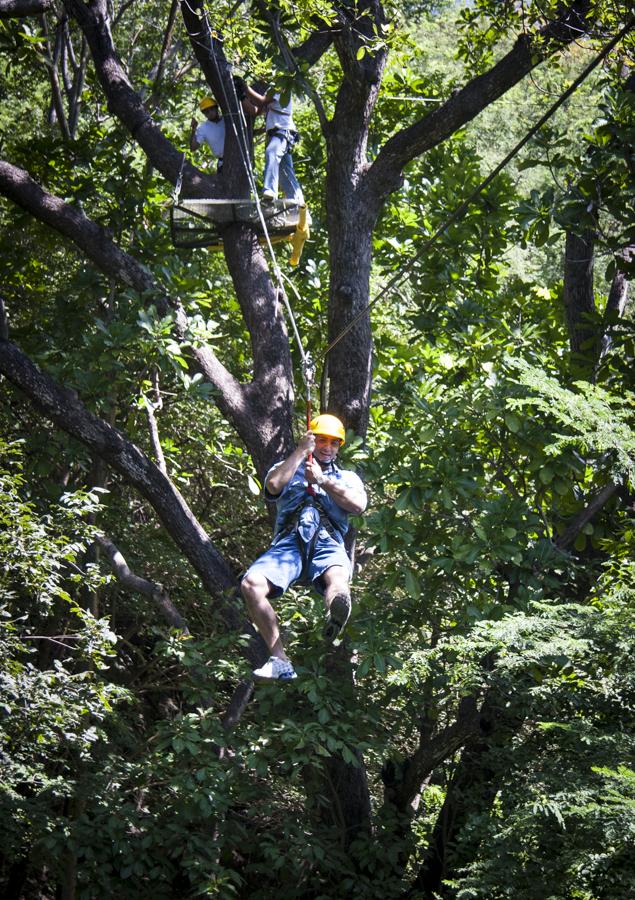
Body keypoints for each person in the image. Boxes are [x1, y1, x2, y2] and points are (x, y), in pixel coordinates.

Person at [241, 415, 367, 681]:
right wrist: (300, 453)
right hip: (290, 544)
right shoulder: (288, 467)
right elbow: (273, 486)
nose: (328, 447)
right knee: (251, 584)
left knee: (337, 578)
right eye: (322, 440)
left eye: (334, 443)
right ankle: (279, 660)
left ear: (339, 447)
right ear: (312, 440)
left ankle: (337, 610)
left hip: (328, 541)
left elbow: (357, 505)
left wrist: (323, 481)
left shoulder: (347, 478)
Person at [190, 96, 225, 171]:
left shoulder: (227, 120)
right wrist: (193, 129)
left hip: (239, 156)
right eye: (206, 111)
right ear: (204, 114)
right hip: (223, 163)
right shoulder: (203, 128)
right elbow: (193, 147)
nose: (210, 113)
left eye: (211, 109)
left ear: (216, 108)